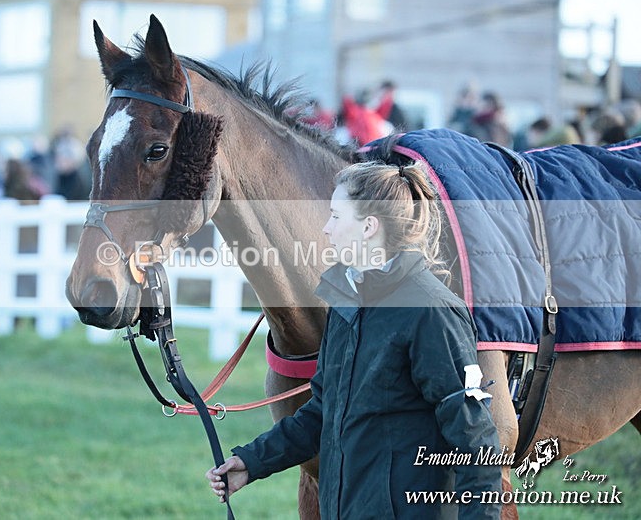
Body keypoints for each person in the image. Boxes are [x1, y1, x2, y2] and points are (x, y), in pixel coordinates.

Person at [206, 138, 502, 519]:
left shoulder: (431, 311)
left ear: (368, 227)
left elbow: (474, 438)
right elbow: (323, 412)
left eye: (335, 216)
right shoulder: (347, 302)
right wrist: (251, 463)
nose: (326, 229)